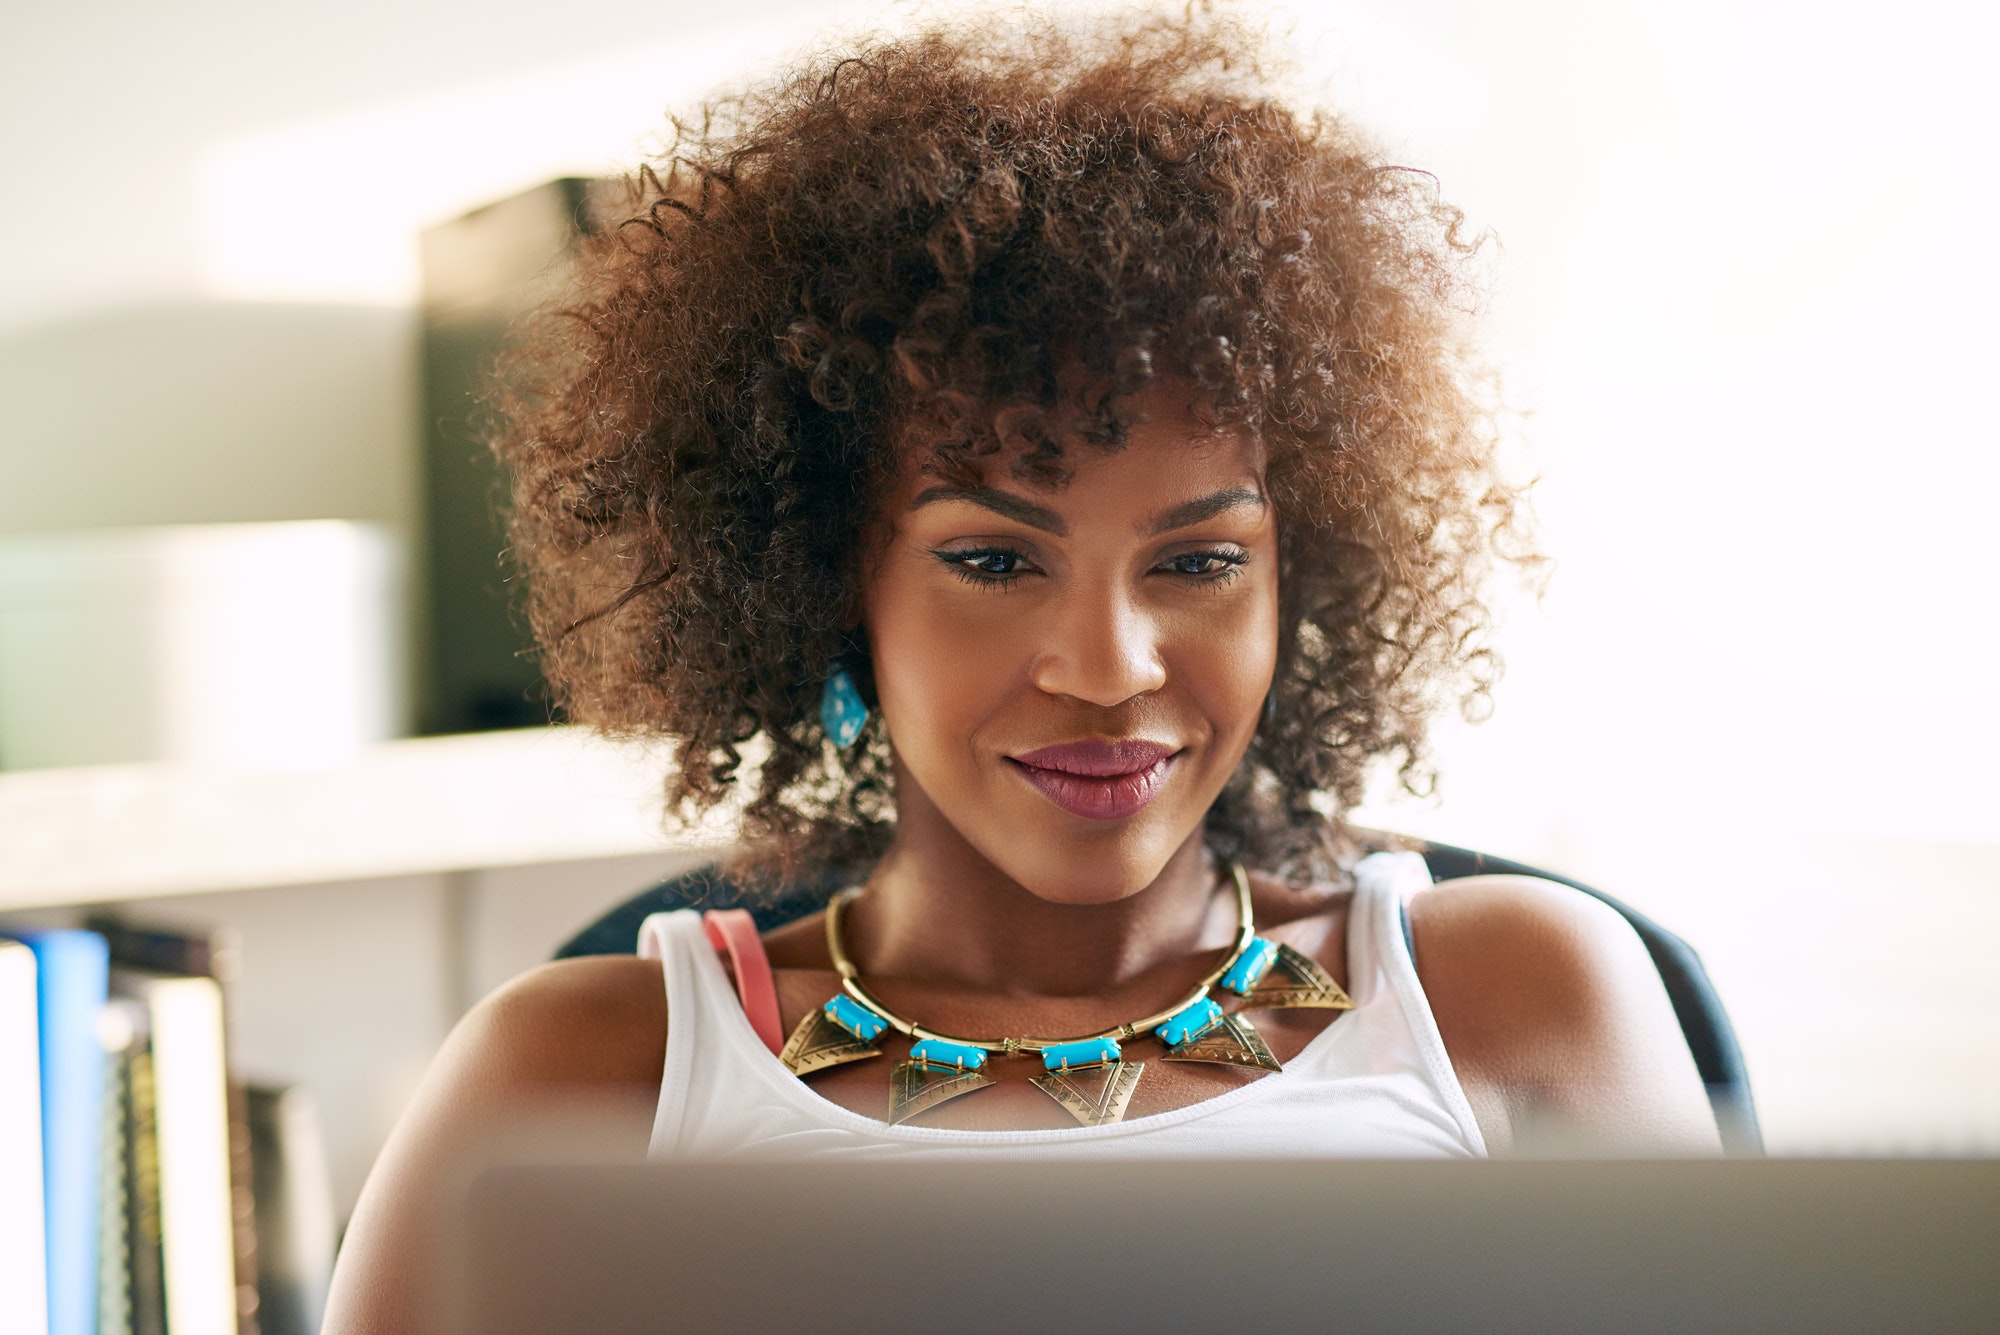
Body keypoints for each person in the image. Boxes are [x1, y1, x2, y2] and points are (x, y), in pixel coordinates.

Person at [324, 8, 1719, 1329]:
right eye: (994, 562)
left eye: (1200, 561)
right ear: (825, 585)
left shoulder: (1520, 995)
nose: (1111, 671)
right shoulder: (576, 1073)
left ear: (1306, 578)